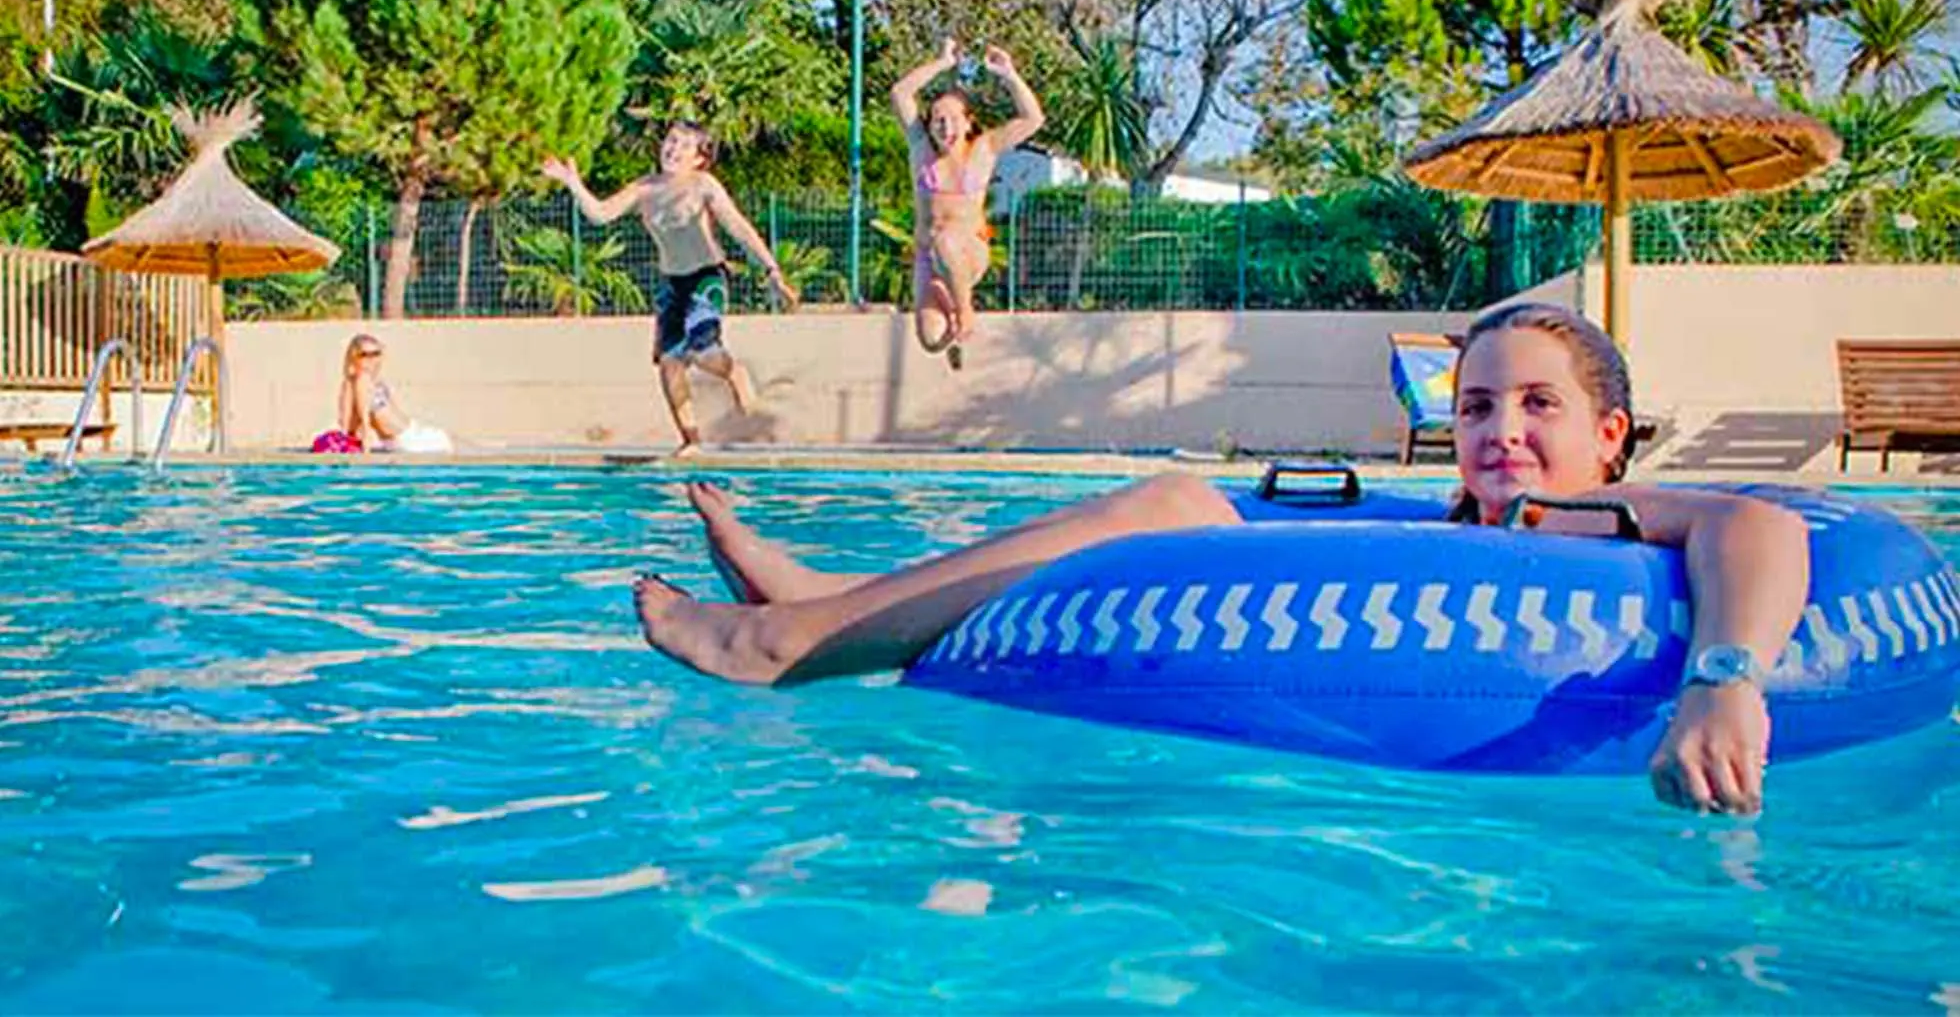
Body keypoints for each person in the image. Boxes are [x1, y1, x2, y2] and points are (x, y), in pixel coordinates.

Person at [631, 302, 1811, 816]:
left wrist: (1721, 678)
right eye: (1475, 406)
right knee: (1174, 501)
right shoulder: (1449, 526)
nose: (1501, 429)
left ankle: (798, 637)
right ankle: (834, 603)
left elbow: (1759, 527)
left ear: (1609, 435)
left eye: (1538, 405)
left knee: (1172, 503)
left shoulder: (1596, 521)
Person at [543, 123, 798, 457]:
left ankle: (736, 374)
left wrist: (772, 269)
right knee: (669, 364)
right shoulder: (644, 188)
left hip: (706, 277)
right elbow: (601, 214)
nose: (674, 149)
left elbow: (738, 227)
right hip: (672, 285)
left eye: (685, 145)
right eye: (671, 141)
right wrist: (573, 184)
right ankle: (692, 440)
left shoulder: (704, 185)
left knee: (701, 351)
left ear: (699, 159)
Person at [889, 39, 1045, 368]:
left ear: (968, 122)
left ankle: (965, 310)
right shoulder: (920, 149)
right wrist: (942, 62)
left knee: (946, 240)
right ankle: (954, 336)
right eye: (937, 120)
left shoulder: (984, 149)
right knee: (931, 338)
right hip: (929, 257)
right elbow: (900, 93)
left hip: (969, 251)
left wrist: (1010, 75)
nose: (944, 127)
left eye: (952, 119)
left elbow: (1033, 119)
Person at [337, 334, 453, 453]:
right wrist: (363, 435)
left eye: (376, 353)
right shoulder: (362, 379)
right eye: (364, 355)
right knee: (449, 442)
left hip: (403, 436)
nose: (371, 359)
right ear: (353, 357)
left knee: (449, 442)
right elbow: (356, 418)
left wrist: (349, 436)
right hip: (407, 439)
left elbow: (349, 421)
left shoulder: (358, 382)